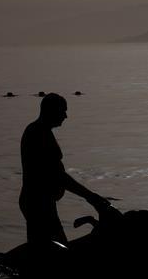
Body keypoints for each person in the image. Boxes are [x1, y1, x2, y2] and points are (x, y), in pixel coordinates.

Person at [19, 93, 109, 245]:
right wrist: (90, 196)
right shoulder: (38, 133)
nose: (66, 116)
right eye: (63, 111)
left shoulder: (42, 132)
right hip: (38, 203)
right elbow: (58, 176)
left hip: (42, 201)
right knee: (54, 249)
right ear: (52, 111)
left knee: (48, 247)